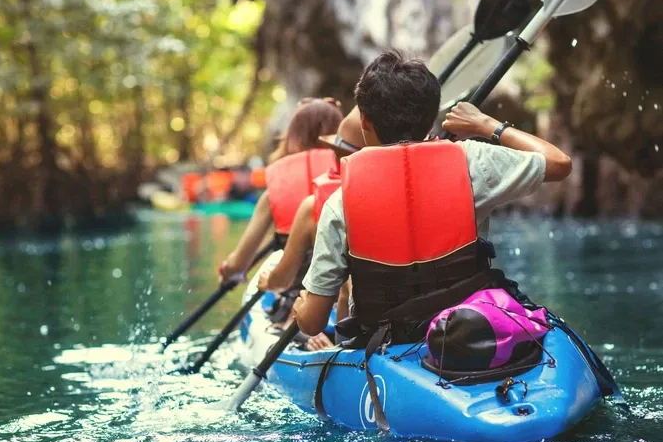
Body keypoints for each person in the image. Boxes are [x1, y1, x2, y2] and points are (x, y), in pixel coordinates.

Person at [293, 49, 572, 346]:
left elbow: (312, 322)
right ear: (430, 117)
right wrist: (486, 125)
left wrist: (300, 308)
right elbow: (559, 163)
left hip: (388, 344)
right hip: (470, 333)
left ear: (364, 122)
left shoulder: (340, 203)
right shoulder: (472, 162)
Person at [257, 107, 364, 349]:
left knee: (297, 314)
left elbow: (283, 279)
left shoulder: (316, 205)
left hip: (324, 314)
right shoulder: (406, 195)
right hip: (373, 322)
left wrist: (268, 284)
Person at [217, 98, 343, 283]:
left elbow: (239, 263)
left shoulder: (274, 193)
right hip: (344, 288)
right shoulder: (352, 175)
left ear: (294, 137)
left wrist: (227, 271)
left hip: (292, 288)